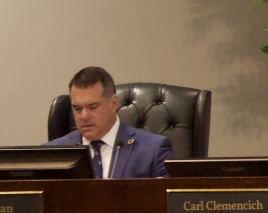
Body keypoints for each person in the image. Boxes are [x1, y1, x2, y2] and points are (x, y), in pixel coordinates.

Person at [45, 67, 173, 178]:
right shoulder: (51, 154)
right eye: (77, 109)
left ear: (113, 104)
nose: (84, 116)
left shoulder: (153, 150)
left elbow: (168, 203)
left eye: (93, 107)